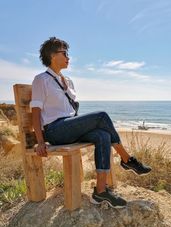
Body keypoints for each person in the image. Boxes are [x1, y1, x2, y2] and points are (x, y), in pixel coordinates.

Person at [30, 37, 152, 209]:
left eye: (67, 53)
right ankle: (127, 159)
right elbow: (35, 113)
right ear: (52, 56)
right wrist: (41, 141)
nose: (68, 57)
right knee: (101, 116)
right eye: (64, 53)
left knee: (103, 135)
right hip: (55, 131)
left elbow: (72, 111)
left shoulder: (69, 81)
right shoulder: (41, 80)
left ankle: (100, 191)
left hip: (70, 127)